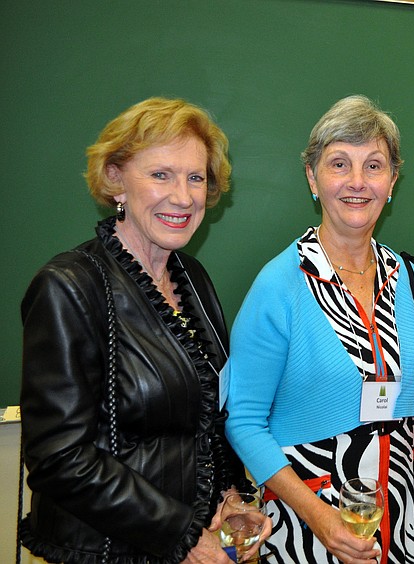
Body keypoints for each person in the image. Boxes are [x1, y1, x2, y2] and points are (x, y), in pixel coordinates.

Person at [19, 97, 270, 563]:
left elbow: (206, 414)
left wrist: (231, 497)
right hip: (106, 550)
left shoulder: (191, 276)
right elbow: (59, 459)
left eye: (195, 177)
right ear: (116, 179)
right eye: (161, 174)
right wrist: (184, 536)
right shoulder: (69, 286)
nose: (183, 196)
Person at [224, 94, 414, 564]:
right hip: (309, 528)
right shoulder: (279, 284)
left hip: (396, 520)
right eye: (339, 164)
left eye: (374, 166)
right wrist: (317, 516)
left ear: (393, 180)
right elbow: (242, 421)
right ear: (312, 178)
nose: (357, 182)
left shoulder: (410, 280)